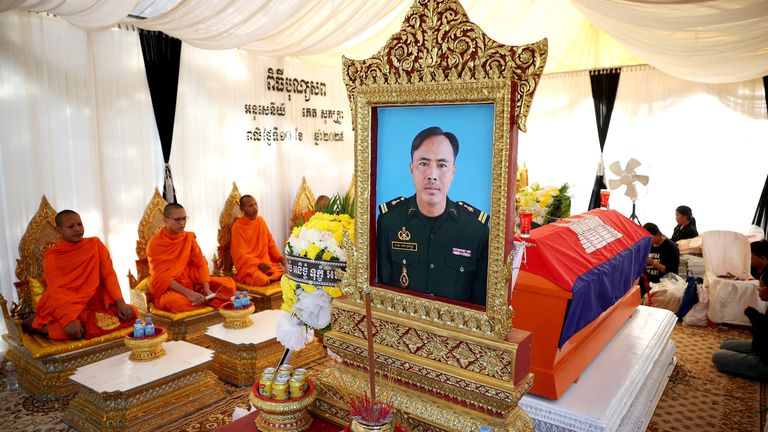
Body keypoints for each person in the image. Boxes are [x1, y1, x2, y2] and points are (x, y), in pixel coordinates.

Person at [376, 126, 489, 305]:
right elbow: (379, 292)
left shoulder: (477, 230)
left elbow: (482, 303)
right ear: (411, 168)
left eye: (442, 165)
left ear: (453, 171)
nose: (432, 175)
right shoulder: (389, 221)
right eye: (424, 163)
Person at [29, 210, 137, 340]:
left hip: (97, 305)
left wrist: (121, 303)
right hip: (70, 307)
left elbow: (109, 275)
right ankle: (32, 325)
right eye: (71, 226)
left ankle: (49, 325)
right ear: (58, 231)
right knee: (67, 331)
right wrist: (68, 320)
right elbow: (56, 290)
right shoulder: (53, 256)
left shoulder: (95, 245)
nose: (77, 229)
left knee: (132, 314)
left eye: (79, 224)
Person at [147, 203, 236, 312]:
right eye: (177, 220)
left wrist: (206, 288)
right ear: (165, 220)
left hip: (193, 282)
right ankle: (207, 301)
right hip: (171, 289)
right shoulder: (156, 244)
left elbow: (201, 264)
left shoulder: (188, 238)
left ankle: (205, 299)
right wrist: (189, 294)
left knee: (229, 286)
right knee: (176, 303)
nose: (182, 223)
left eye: (184, 219)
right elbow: (163, 278)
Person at [711, 271, 768, 381]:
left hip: (765, 360)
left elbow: (763, 338)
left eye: (761, 286)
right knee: (726, 344)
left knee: (718, 357)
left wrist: (754, 317)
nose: (758, 289)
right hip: (761, 348)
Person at [230, 195, 286, 286]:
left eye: (255, 204)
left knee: (284, 275)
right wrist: (258, 264)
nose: (255, 208)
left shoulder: (261, 221)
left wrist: (281, 259)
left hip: (267, 265)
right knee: (261, 279)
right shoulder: (237, 227)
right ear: (242, 209)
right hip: (250, 267)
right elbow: (240, 254)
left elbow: (271, 244)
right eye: (250, 206)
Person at [641, 222, 680, 295]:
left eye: (651, 238)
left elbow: (671, 272)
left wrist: (653, 262)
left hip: (663, 284)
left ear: (658, 235)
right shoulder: (647, 245)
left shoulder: (671, 247)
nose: (649, 241)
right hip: (647, 282)